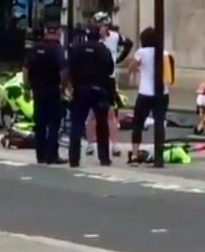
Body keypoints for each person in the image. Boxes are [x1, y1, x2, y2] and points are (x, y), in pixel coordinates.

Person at [85, 12, 133, 157]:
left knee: (111, 112)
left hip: (109, 77)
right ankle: (90, 143)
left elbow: (128, 43)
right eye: (98, 25)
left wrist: (119, 58)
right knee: (92, 113)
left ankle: (115, 145)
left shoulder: (114, 37)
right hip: (94, 78)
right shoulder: (93, 39)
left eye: (102, 26)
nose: (100, 29)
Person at [67, 26, 114, 167]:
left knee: (77, 123)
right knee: (102, 124)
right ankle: (104, 158)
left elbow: (70, 68)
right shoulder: (103, 50)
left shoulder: (78, 49)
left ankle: (74, 158)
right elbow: (110, 69)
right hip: (100, 89)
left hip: (81, 89)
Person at [23, 24, 67, 165]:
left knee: (40, 123)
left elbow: (26, 68)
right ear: (58, 33)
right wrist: (63, 87)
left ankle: (40, 155)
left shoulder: (35, 48)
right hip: (53, 90)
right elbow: (63, 71)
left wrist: (26, 87)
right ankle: (52, 155)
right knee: (54, 124)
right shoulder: (57, 50)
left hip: (37, 90)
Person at [127, 27, 170, 164]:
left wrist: (134, 74)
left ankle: (134, 154)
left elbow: (132, 67)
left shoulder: (141, 53)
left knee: (138, 124)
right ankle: (159, 153)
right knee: (159, 122)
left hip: (145, 92)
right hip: (162, 93)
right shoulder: (164, 53)